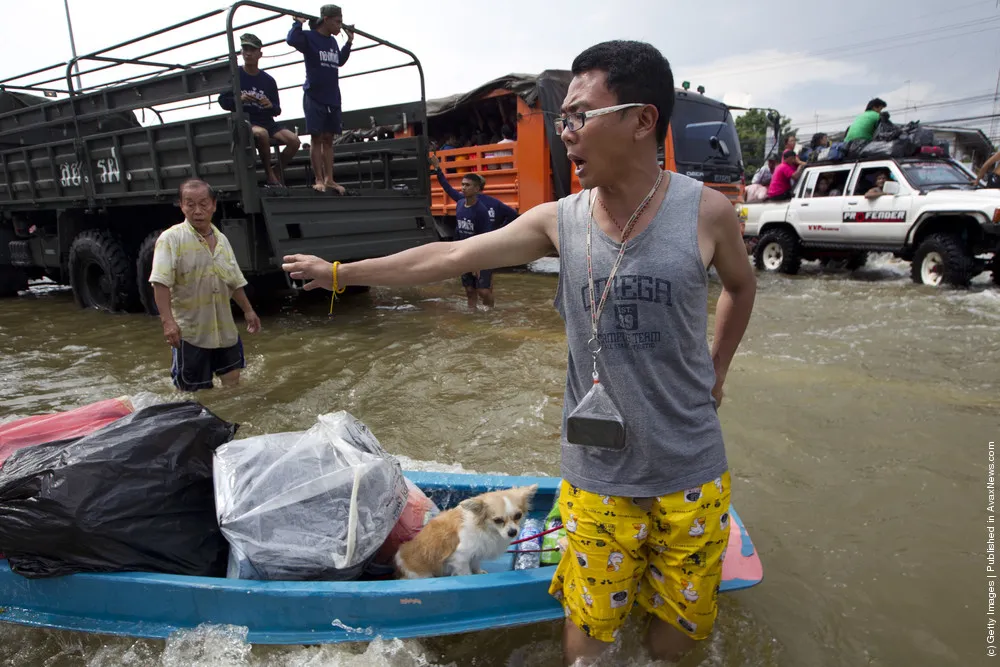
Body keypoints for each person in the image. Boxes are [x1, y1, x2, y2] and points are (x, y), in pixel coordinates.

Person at [283, 39, 756, 665]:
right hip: (598, 479)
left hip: (691, 474)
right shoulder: (558, 221)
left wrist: (716, 371)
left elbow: (741, 287)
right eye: (565, 117)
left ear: (643, 119)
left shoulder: (708, 214)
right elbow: (447, 256)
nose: (566, 133)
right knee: (587, 644)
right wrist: (342, 272)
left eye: (580, 115)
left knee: (675, 644)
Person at [149, 178, 261, 392]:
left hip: (224, 331)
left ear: (214, 205)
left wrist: (248, 310)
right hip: (192, 334)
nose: (197, 211)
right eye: (190, 204)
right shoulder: (170, 239)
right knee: (195, 395)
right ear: (182, 206)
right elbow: (160, 283)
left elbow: (234, 280)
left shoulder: (222, 240)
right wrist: (168, 322)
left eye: (203, 204)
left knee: (234, 386)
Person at [430, 153, 518, 309]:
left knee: (483, 291)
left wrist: (499, 231)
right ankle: (473, 318)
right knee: (470, 290)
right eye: (462, 185)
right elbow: (447, 187)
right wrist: (437, 169)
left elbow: (487, 236)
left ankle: (490, 313)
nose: (463, 188)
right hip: (464, 251)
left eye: (467, 185)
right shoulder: (460, 202)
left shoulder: (486, 207)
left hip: (482, 252)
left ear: (478, 188)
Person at [218, 33, 301, 187]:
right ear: (241, 52)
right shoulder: (234, 75)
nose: (248, 53)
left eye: (252, 50)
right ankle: (269, 174)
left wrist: (269, 105)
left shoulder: (268, 80)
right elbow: (222, 101)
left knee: (294, 141)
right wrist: (239, 99)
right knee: (261, 134)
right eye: (245, 49)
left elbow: (277, 109)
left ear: (260, 54)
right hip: (246, 121)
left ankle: (276, 171)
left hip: (267, 121)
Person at [287, 5, 354, 194]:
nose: (340, 26)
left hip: (332, 97)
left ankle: (329, 179)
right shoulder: (310, 37)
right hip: (314, 95)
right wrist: (297, 23)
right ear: (326, 19)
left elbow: (339, 60)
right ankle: (319, 179)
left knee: (329, 139)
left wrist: (348, 42)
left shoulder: (332, 42)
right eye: (337, 22)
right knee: (316, 138)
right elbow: (292, 39)